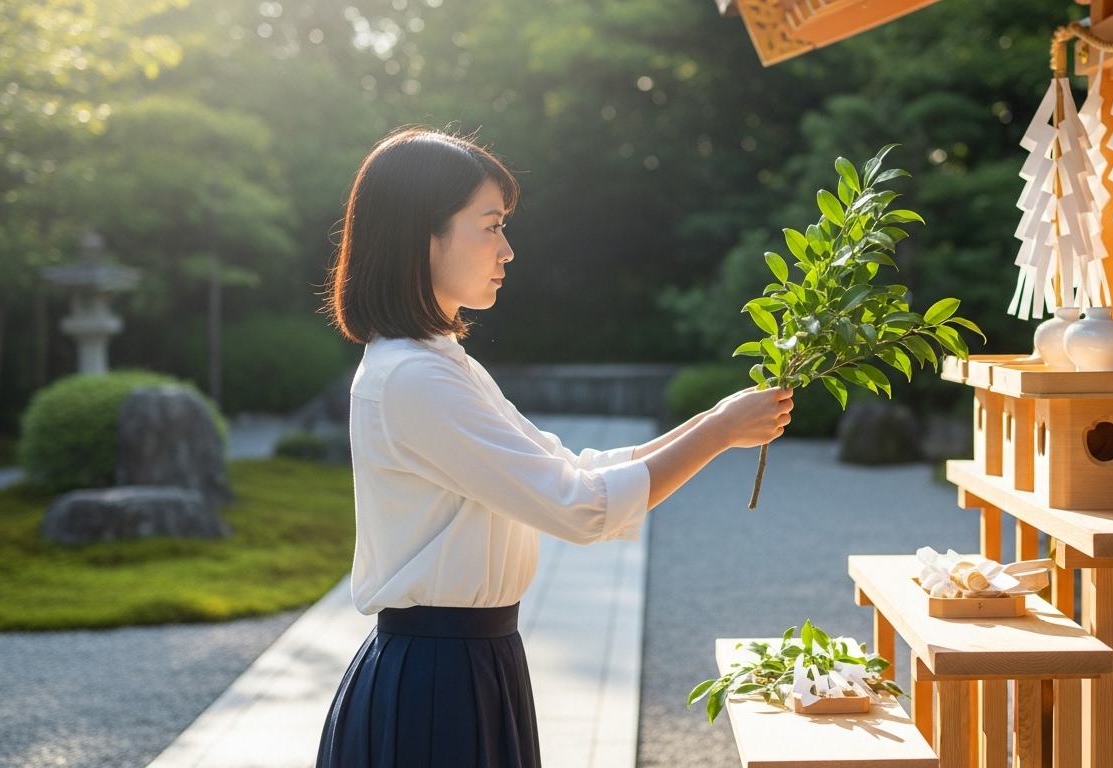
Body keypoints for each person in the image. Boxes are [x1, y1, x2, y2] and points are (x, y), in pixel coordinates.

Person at [316, 127, 792, 768]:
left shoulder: (438, 362)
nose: (507, 250)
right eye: (490, 226)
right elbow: (578, 507)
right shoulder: (414, 377)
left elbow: (570, 469)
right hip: (437, 679)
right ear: (421, 236)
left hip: (466, 663)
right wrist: (719, 432)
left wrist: (715, 419)